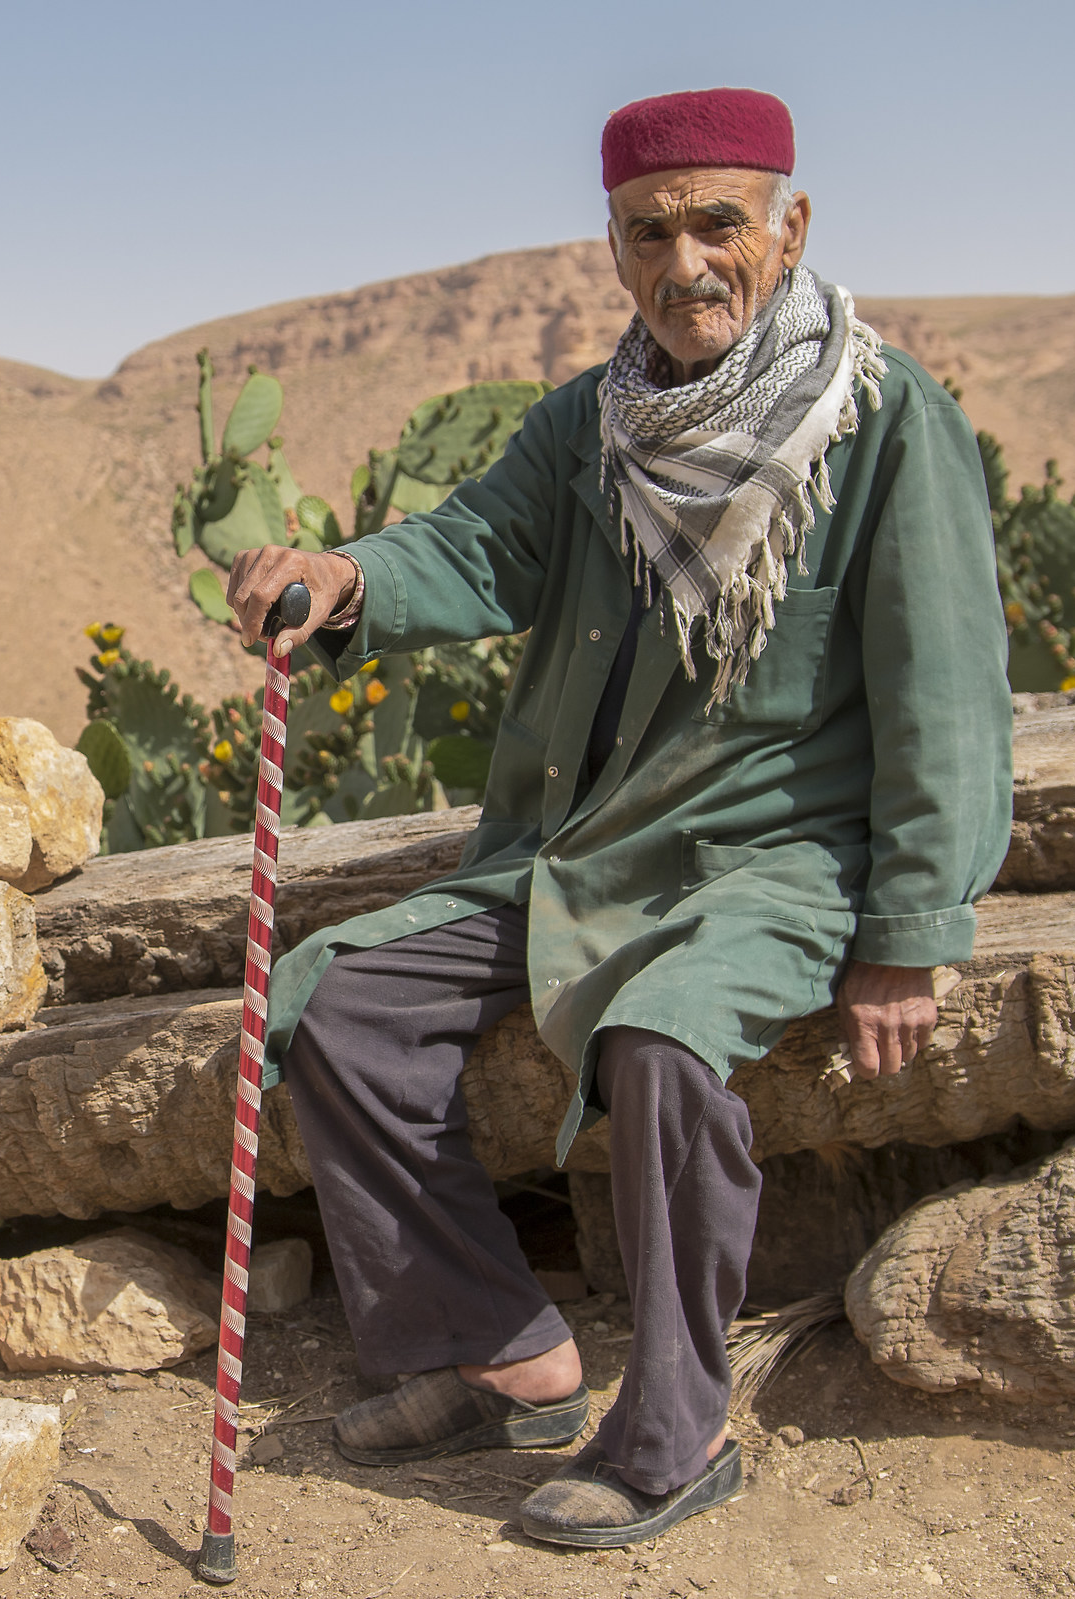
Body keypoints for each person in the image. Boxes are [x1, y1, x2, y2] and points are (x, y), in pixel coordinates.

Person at [223, 86, 1012, 1548]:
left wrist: (912, 927)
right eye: (652, 231)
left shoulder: (888, 422)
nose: (686, 258)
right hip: (586, 851)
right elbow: (470, 547)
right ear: (613, 248)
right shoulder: (593, 425)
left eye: (720, 221)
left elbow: (949, 694)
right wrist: (342, 580)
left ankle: (678, 1424)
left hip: (774, 861)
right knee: (343, 1002)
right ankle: (494, 1347)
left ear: (789, 230)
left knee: (660, 1040)